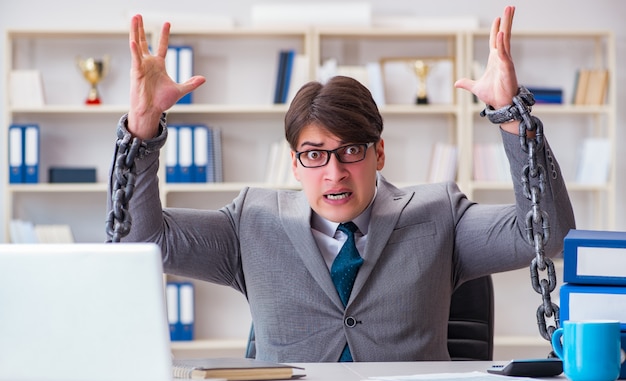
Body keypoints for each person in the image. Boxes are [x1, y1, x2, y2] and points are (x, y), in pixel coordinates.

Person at [110, 6, 575, 362]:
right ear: (295, 164)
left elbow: (546, 235)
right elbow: (140, 240)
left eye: (351, 150)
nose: (334, 173)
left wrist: (514, 119)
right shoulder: (250, 222)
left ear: (379, 153)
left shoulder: (440, 215)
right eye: (315, 155)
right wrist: (142, 130)